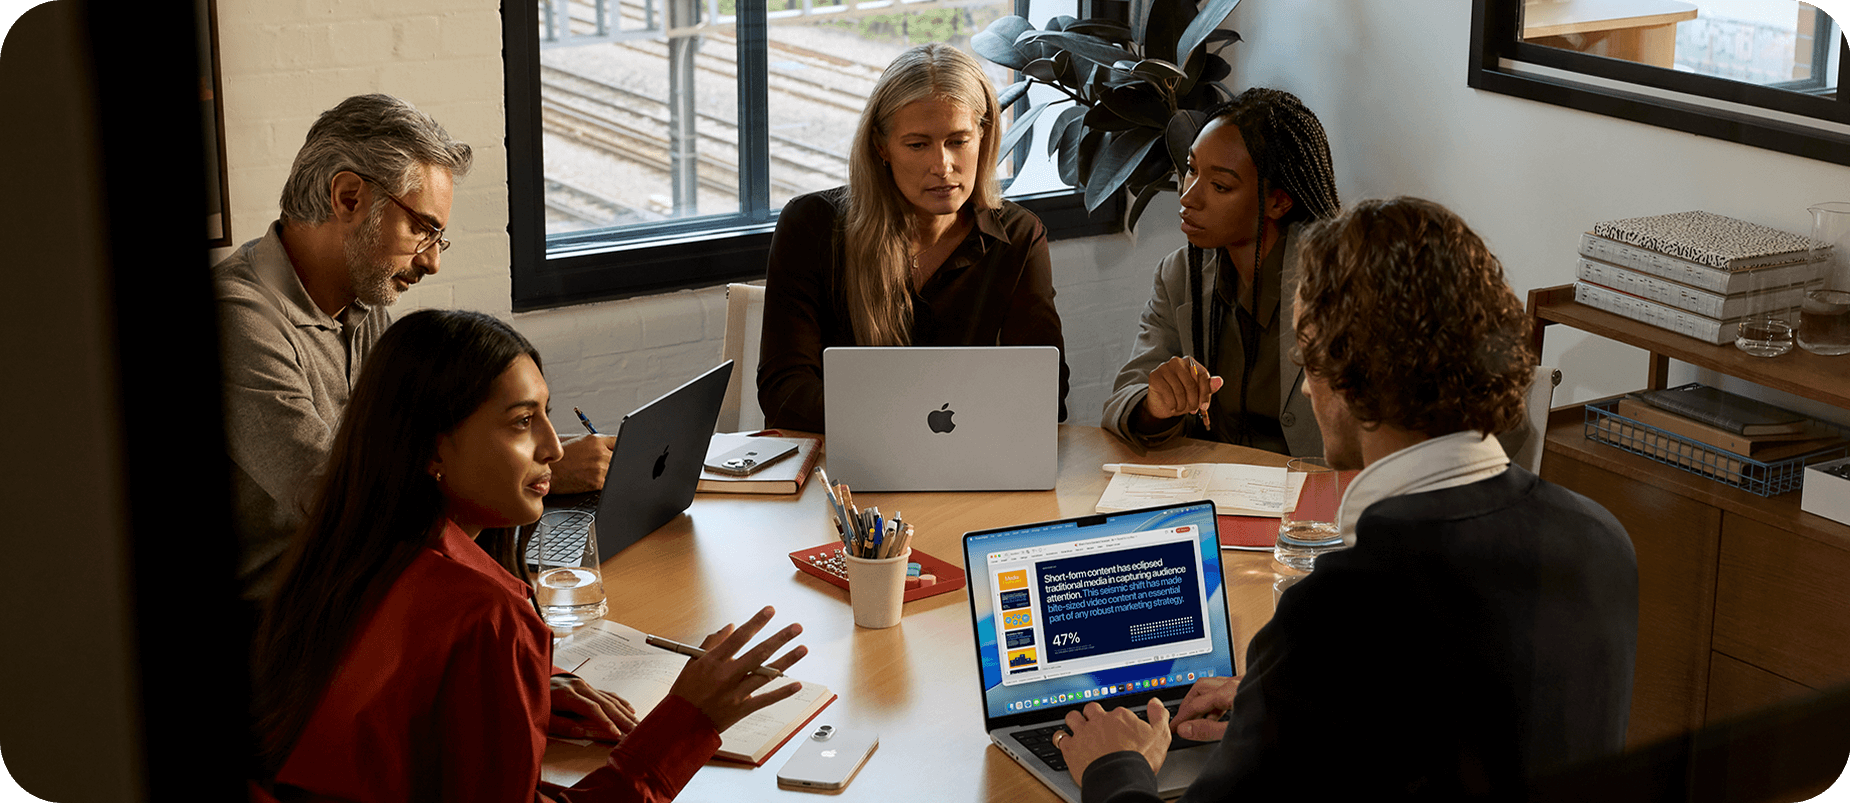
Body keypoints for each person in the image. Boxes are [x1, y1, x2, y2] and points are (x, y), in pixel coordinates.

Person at [1058, 197, 1639, 801]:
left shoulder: (1341, 613)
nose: (1306, 385)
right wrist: (1274, 695)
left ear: (1342, 373)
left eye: (1306, 360)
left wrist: (1116, 765)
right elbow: (1473, 712)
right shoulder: (1600, 539)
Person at [249, 309, 808, 802]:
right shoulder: (485, 613)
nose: (554, 446)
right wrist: (690, 720)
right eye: (522, 422)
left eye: (545, 413)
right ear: (431, 448)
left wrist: (528, 687)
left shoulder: (339, 556)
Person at [215, 94, 614, 602]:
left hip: (375, 584)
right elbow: (342, 499)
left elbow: (410, 445)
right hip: (290, 626)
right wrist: (539, 475)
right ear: (348, 198)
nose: (431, 263)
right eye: (422, 229)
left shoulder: (363, 296)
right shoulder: (236, 320)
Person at [757, 43, 1070, 432]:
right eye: (918, 145)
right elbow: (784, 392)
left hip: (966, 462)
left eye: (958, 141)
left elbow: (1046, 393)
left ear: (984, 137)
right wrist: (908, 426)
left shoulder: (1019, 235)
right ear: (881, 146)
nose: (942, 165)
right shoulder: (812, 226)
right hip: (843, 467)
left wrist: (901, 423)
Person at [1100, 88, 1340, 456]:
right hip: (1211, 492)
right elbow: (1122, 402)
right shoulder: (1180, 274)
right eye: (1192, 170)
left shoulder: (1338, 282)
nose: (1188, 196)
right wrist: (1155, 405)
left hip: (1312, 498)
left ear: (1278, 201)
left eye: (1220, 186)